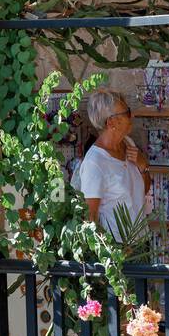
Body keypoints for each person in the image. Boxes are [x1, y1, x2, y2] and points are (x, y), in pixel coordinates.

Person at [72, 88, 150, 241]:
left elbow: (143, 191)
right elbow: (90, 218)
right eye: (127, 112)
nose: (131, 116)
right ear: (111, 122)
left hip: (141, 242)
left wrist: (143, 166)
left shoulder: (129, 144)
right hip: (119, 248)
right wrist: (111, 252)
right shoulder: (95, 163)